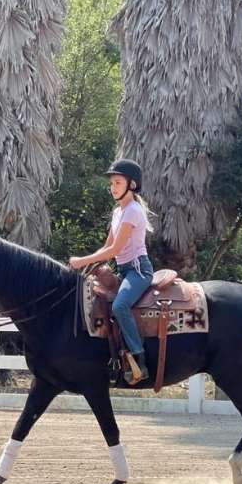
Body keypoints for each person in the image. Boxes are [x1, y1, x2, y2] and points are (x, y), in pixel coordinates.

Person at [69, 159, 154, 384]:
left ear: (132, 185)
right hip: (125, 271)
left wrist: (81, 261)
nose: (113, 187)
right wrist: (90, 265)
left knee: (119, 305)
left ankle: (139, 359)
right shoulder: (118, 211)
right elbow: (107, 247)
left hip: (138, 271)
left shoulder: (133, 211)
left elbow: (115, 249)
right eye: (111, 183)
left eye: (117, 182)